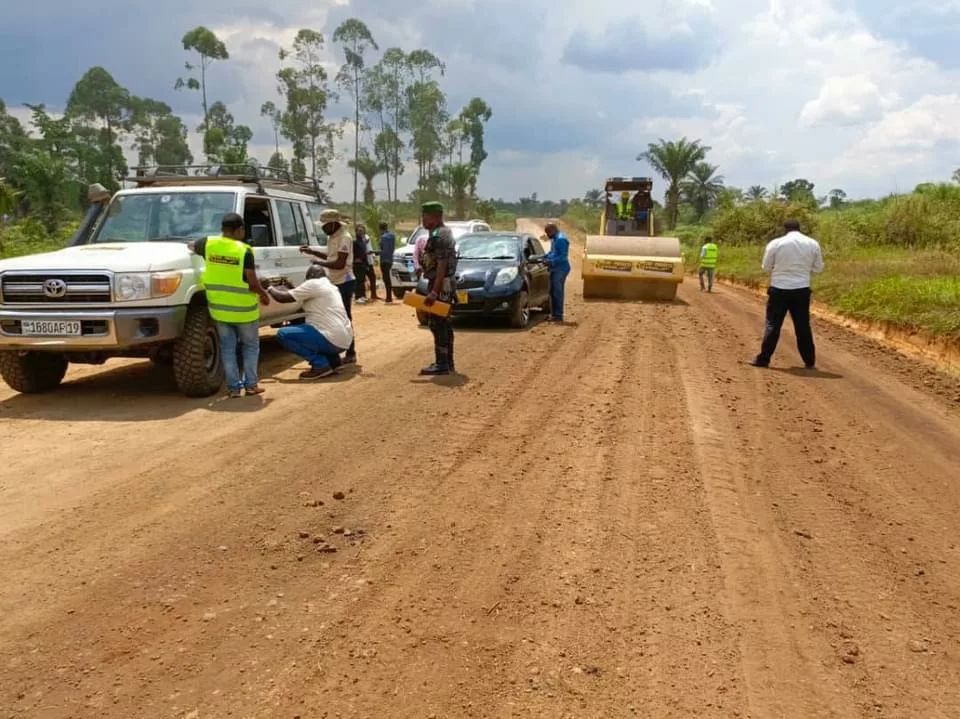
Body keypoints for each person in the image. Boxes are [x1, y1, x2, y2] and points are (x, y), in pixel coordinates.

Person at [189, 212, 270, 398]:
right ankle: (251, 385)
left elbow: (191, 246)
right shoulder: (244, 250)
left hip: (220, 310)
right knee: (250, 347)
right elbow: (252, 281)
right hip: (244, 312)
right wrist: (264, 295)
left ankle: (233, 388)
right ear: (239, 229)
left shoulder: (208, 244)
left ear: (223, 229)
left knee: (227, 349)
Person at [749, 219, 824, 370]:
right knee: (802, 326)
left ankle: (764, 359)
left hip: (779, 289)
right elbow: (818, 268)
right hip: (802, 289)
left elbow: (766, 267)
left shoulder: (776, 244)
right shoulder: (812, 243)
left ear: (785, 229)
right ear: (799, 228)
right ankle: (809, 361)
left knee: (773, 325)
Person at [266, 264, 354, 380]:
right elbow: (302, 301)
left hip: (330, 339)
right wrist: (291, 288)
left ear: (309, 277)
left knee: (283, 334)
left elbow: (283, 298)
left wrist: (269, 287)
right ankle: (334, 362)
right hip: (344, 340)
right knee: (322, 328)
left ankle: (320, 364)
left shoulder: (313, 284)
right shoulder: (331, 286)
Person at [299, 209, 358, 364]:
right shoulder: (332, 237)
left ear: (333, 224)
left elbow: (339, 263)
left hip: (344, 281)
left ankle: (351, 351)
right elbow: (331, 256)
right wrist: (312, 252)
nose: (322, 228)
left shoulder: (344, 237)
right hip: (334, 281)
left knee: (345, 316)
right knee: (334, 316)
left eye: (325, 225)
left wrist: (318, 263)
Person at [417, 200, 458, 375]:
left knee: (438, 323)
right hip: (444, 284)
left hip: (440, 285)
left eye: (425, 217)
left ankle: (442, 363)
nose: (423, 221)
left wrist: (434, 291)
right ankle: (447, 362)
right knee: (444, 324)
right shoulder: (443, 232)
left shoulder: (439, 236)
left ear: (435, 216)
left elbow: (441, 265)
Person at [542, 223, 570, 322]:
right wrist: (543, 257)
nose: (547, 235)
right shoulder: (555, 239)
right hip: (554, 268)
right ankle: (554, 314)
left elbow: (563, 256)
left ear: (553, 230)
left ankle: (558, 315)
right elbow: (553, 252)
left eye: (548, 232)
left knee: (557, 292)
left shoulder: (561, 239)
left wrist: (551, 261)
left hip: (561, 269)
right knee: (552, 292)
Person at [352, 224, 372, 303]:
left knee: (362, 280)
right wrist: (354, 260)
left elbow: (364, 253)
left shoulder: (363, 242)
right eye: (359, 231)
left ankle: (363, 295)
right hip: (357, 264)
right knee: (358, 280)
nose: (360, 232)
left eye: (362, 231)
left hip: (363, 263)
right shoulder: (354, 242)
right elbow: (352, 253)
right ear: (356, 232)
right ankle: (358, 296)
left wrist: (366, 264)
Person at [378, 221, 396, 303]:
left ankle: (388, 297)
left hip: (384, 259)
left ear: (380, 229)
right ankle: (389, 296)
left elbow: (384, 250)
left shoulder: (383, 237)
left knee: (386, 279)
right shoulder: (392, 236)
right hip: (390, 259)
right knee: (388, 278)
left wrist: (374, 252)